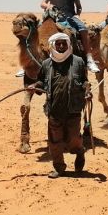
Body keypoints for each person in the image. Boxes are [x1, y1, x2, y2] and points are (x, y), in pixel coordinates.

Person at [28, 33, 90, 178]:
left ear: (68, 45)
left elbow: (84, 81)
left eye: (64, 43)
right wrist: (35, 85)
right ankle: (59, 167)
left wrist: (87, 89)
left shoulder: (78, 62)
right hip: (54, 110)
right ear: (53, 45)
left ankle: (80, 153)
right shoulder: (46, 64)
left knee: (73, 140)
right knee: (55, 141)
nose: (61, 46)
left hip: (73, 109)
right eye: (58, 44)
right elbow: (42, 82)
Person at [41, 0, 100, 73]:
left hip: (70, 17)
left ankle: (89, 58)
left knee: (83, 29)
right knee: (35, 31)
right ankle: (27, 65)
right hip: (54, 17)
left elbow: (79, 7)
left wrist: (78, 14)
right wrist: (49, 6)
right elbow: (42, 3)